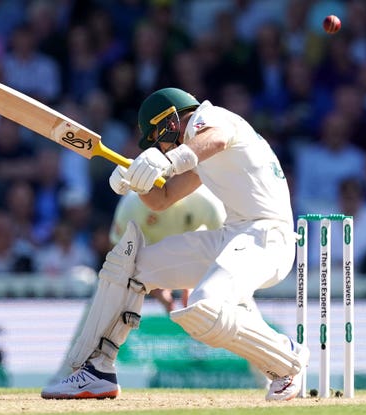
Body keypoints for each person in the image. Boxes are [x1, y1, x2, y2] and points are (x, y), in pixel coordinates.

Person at [41, 87, 307, 401]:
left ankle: (285, 360)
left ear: (169, 121)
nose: (160, 146)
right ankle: (96, 370)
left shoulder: (211, 119)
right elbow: (163, 198)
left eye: (157, 138)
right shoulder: (198, 154)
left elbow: (215, 140)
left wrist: (166, 163)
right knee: (130, 268)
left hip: (267, 237)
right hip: (233, 234)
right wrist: (134, 182)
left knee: (205, 307)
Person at [47, 184, 227, 385]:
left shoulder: (206, 202)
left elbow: (222, 256)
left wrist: (193, 286)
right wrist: (159, 290)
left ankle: (266, 373)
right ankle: (68, 374)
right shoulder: (132, 204)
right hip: (141, 265)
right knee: (101, 297)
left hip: (190, 261)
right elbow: (119, 261)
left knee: (236, 298)